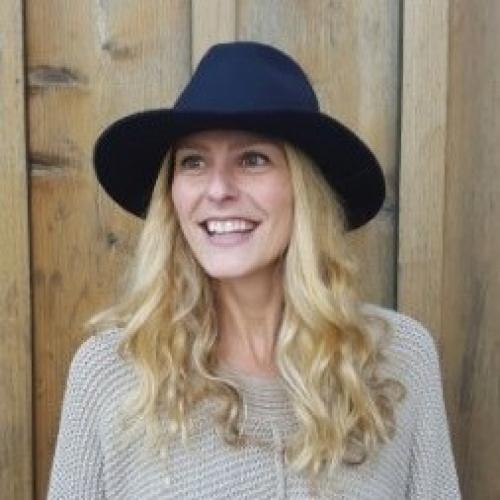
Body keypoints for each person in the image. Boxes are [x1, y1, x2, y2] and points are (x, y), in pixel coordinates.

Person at [47, 41, 461, 499]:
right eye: (194, 162)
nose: (218, 189)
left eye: (252, 160)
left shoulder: (398, 361)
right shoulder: (113, 373)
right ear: (172, 195)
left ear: (304, 189)